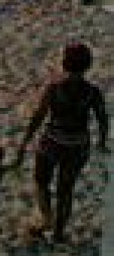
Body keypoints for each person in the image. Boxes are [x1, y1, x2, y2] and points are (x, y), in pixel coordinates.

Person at [15, 42, 108, 242]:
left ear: (65, 63)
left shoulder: (55, 88)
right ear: (87, 65)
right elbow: (102, 118)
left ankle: (47, 218)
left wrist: (26, 140)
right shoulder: (92, 92)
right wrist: (101, 141)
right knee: (66, 190)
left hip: (52, 141)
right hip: (78, 145)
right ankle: (58, 233)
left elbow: (39, 115)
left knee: (41, 182)